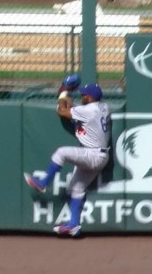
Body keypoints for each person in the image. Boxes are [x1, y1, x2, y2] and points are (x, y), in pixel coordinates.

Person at [24, 82, 111, 237]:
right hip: (98, 155)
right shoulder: (102, 107)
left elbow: (63, 111)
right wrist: (65, 94)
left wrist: (63, 94)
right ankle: (74, 226)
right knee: (76, 189)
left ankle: (43, 183)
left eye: (84, 94)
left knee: (61, 152)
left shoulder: (89, 110)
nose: (82, 96)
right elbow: (73, 107)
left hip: (92, 154)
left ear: (90, 97)